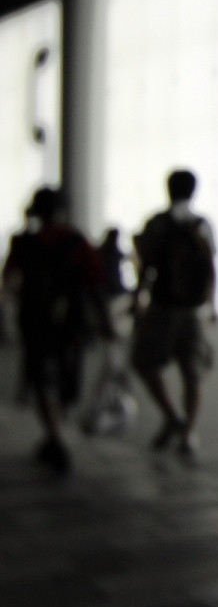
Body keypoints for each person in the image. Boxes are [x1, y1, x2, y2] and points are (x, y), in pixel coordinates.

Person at [1, 188, 103, 474]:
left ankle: (53, 435)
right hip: (71, 322)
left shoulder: (23, 242)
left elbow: (9, 281)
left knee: (42, 378)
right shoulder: (76, 241)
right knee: (67, 379)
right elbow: (96, 283)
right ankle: (56, 436)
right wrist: (105, 324)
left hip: (34, 321)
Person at [132, 170, 218, 456]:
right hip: (193, 310)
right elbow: (211, 266)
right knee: (193, 372)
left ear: (168, 189)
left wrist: (138, 296)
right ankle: (189, 432)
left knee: (145, 362)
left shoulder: (157, 223)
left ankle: (172, 416)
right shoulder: (202, 224)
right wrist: (213, 306)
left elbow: (147, 266)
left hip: (163, 306)